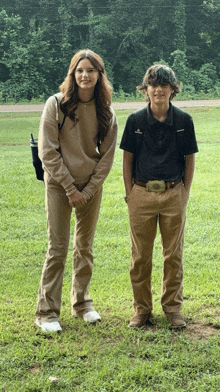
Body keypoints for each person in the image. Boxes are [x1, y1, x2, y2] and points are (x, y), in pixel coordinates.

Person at [35, 49, 118, 332]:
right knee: (57, 248)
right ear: (73, 74)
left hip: (90, 188)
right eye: (80, 70)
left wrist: (89, 189)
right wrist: (71, 188)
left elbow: (106, 158)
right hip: (60, 187)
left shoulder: (106, 111)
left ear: (99, 75)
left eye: (91, 71)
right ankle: (46, 313)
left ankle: (82, 304)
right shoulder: (56, 105)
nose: (85, 75)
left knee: (85, 247)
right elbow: (48, 151)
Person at [120, 64, 198, 328]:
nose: (159, 90)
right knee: (140, 256)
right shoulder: (135, 121)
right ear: (146, 90)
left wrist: (184, 192)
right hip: (141, 194)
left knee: (173, 255)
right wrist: (130, 193)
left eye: (164, 85)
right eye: (153, 85)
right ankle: (142, 310)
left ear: (172, 89)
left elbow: (190, 159)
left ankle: (173, 309)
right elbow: (127, 159)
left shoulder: (184, 121)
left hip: (174, 193)